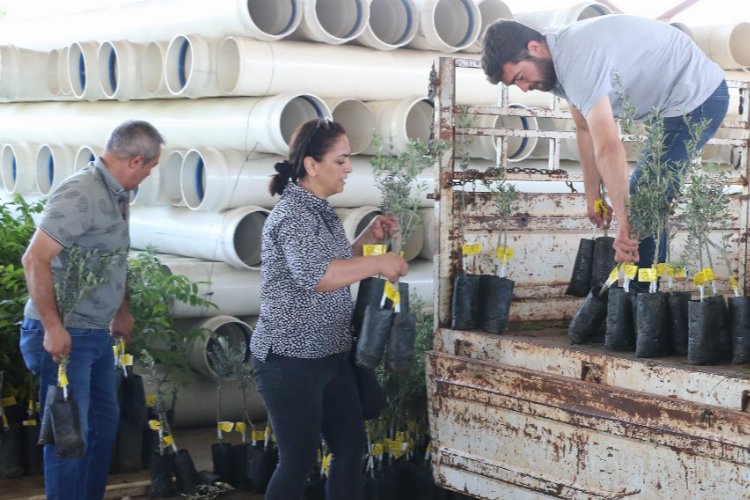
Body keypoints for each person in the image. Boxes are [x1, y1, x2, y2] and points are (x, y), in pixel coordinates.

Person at [481, 15, 729, 265]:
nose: (524, 88)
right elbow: (585, 129)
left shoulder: (576, 61)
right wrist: (593, 195)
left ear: (534, 48)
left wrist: (624, 222)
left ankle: (640, 294)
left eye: (520, 77)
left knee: (645, 198)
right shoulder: (557, 64)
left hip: (697, 97)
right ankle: (639, 291)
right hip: (671, 102)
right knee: (645, 196)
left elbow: (609, 147)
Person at [251, 117, 409, 500]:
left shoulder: (320, 209)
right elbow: (317, 276)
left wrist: (365, 240)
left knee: (350, 448)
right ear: (312, 165)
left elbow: (334, 264)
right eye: (341, 160)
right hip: (290, 360)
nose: (349, 168)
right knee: (298, 460)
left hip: (332, 354)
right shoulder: (292, 215)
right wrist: (377, 262)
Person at [19, 120, 165, 500]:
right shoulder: (79, 193)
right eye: (150, 167)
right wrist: (53, 327)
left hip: (97, 332)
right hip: (66, 335)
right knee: (71, 435)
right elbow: (35, 259)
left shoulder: (118, 193)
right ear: (136, 160)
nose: (149, 174)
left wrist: (121, 309)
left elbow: (115, 257)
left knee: (103, 427)